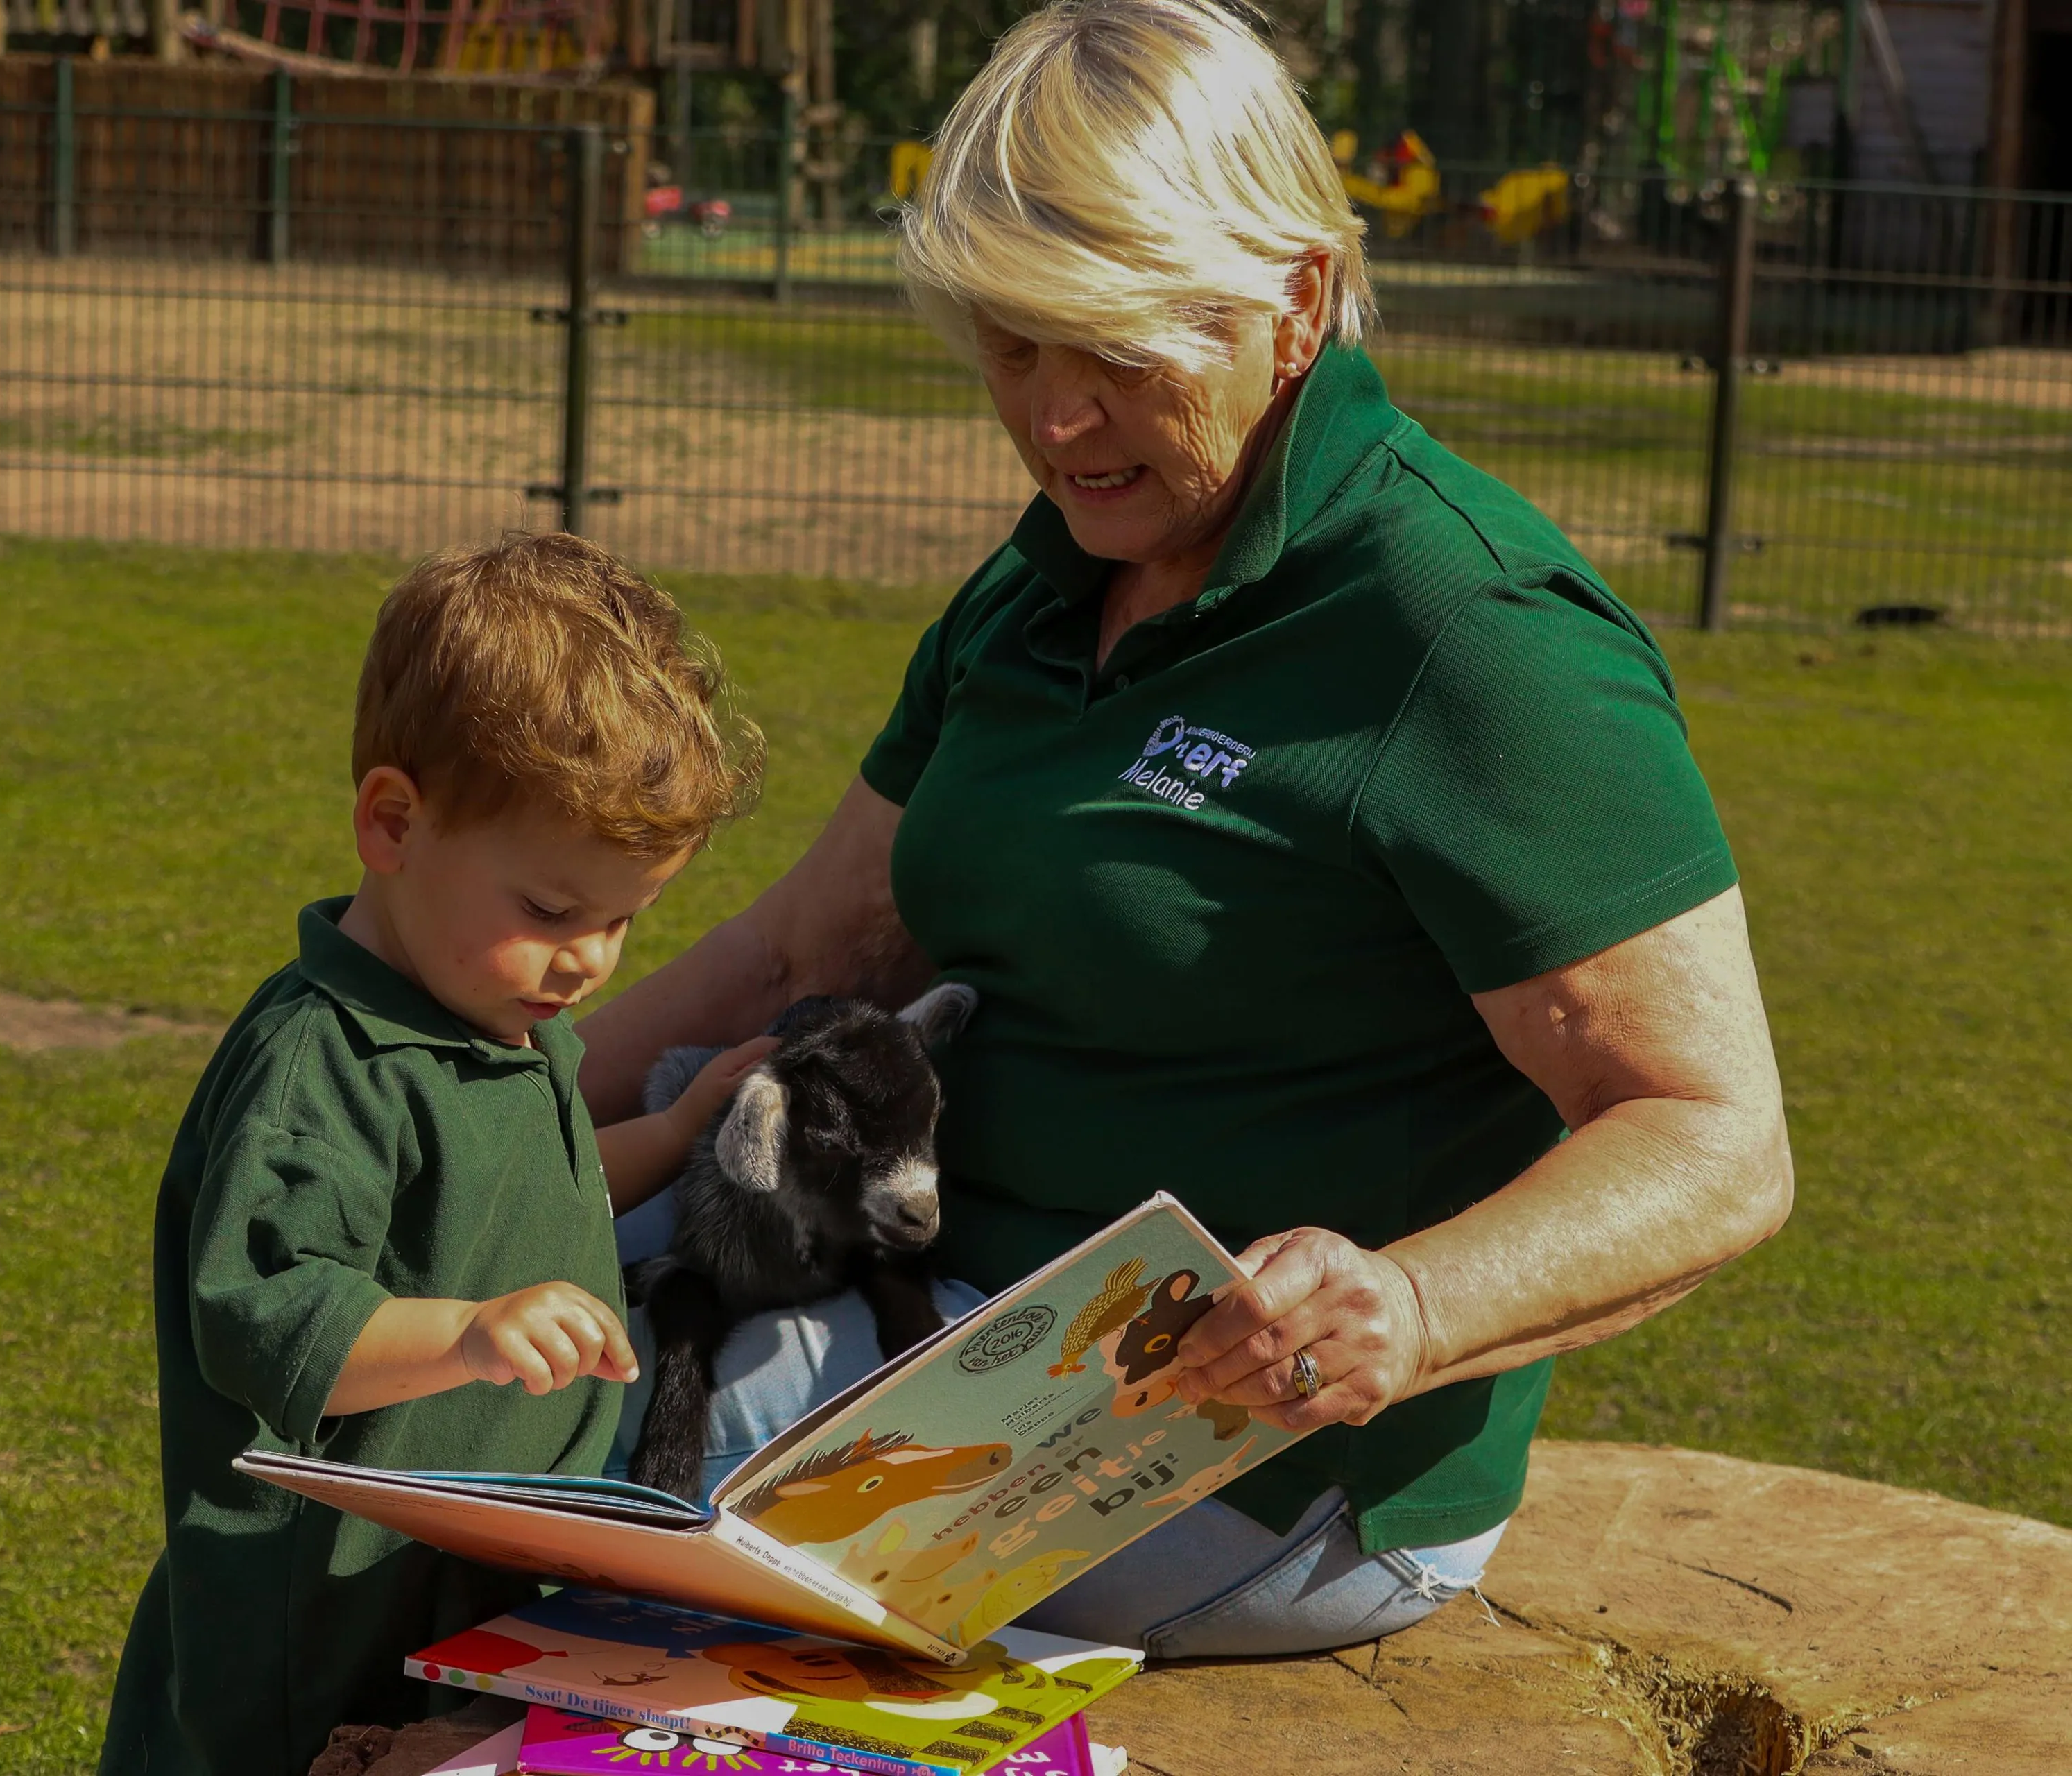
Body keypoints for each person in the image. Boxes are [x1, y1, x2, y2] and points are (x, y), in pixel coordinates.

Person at [580, 0, 1793, 1662]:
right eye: (1012, 345)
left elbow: (1711, 1133)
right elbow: (811, 944)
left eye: (1116, 350)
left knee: (574, 1464)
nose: (1055, 418)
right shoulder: (1039, 582)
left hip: (1241, 1458)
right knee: (430, 1339)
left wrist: (1413, 1304)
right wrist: (466, 1123)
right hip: (920, 1303)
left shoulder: (1471, 628)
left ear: (1293, 299)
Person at [99, 533, 774, 1776]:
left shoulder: (497, 1016)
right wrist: (470, 1333)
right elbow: (265, 1322)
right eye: (554, 913)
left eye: (627, 919)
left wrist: (675, 1139)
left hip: (474, 1571)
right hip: (318, 1615)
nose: (589, 962)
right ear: (394, 822)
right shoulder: (326, 1067)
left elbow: (532, 1204)